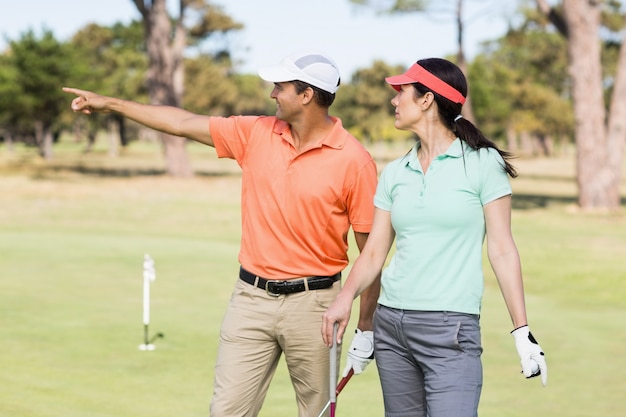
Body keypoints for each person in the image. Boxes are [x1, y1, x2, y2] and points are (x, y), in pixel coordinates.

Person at [63, 50, 381, 417]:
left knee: (316, 412)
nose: (272, 95)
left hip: (316, 307)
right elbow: (182, 122)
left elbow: (370, 254)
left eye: (280, 87)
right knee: (226, 411)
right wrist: (112, 104)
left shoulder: (354, 161)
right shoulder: (256, 132)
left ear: (306, 95)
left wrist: (365, 326)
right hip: (250, 301)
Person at [321, 57, 548, 417]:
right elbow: (374, 252)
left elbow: (502, 249)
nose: (394, 101)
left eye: (402, 92)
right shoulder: (396, 172)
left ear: (427, 99)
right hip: (392, 327)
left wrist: (522, 331)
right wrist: (346, 299)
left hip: (450, 330)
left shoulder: (481, 163)